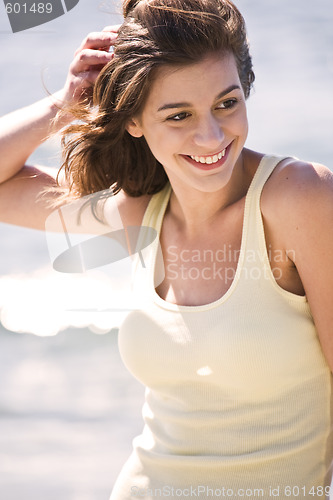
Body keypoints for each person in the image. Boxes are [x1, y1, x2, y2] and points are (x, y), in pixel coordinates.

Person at [0, 0, 332, 498]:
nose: (212, 136)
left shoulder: (298, 198)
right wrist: (61, 107)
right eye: (178, 114)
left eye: (227, 102)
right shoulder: (142, 214)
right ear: (134, 121)